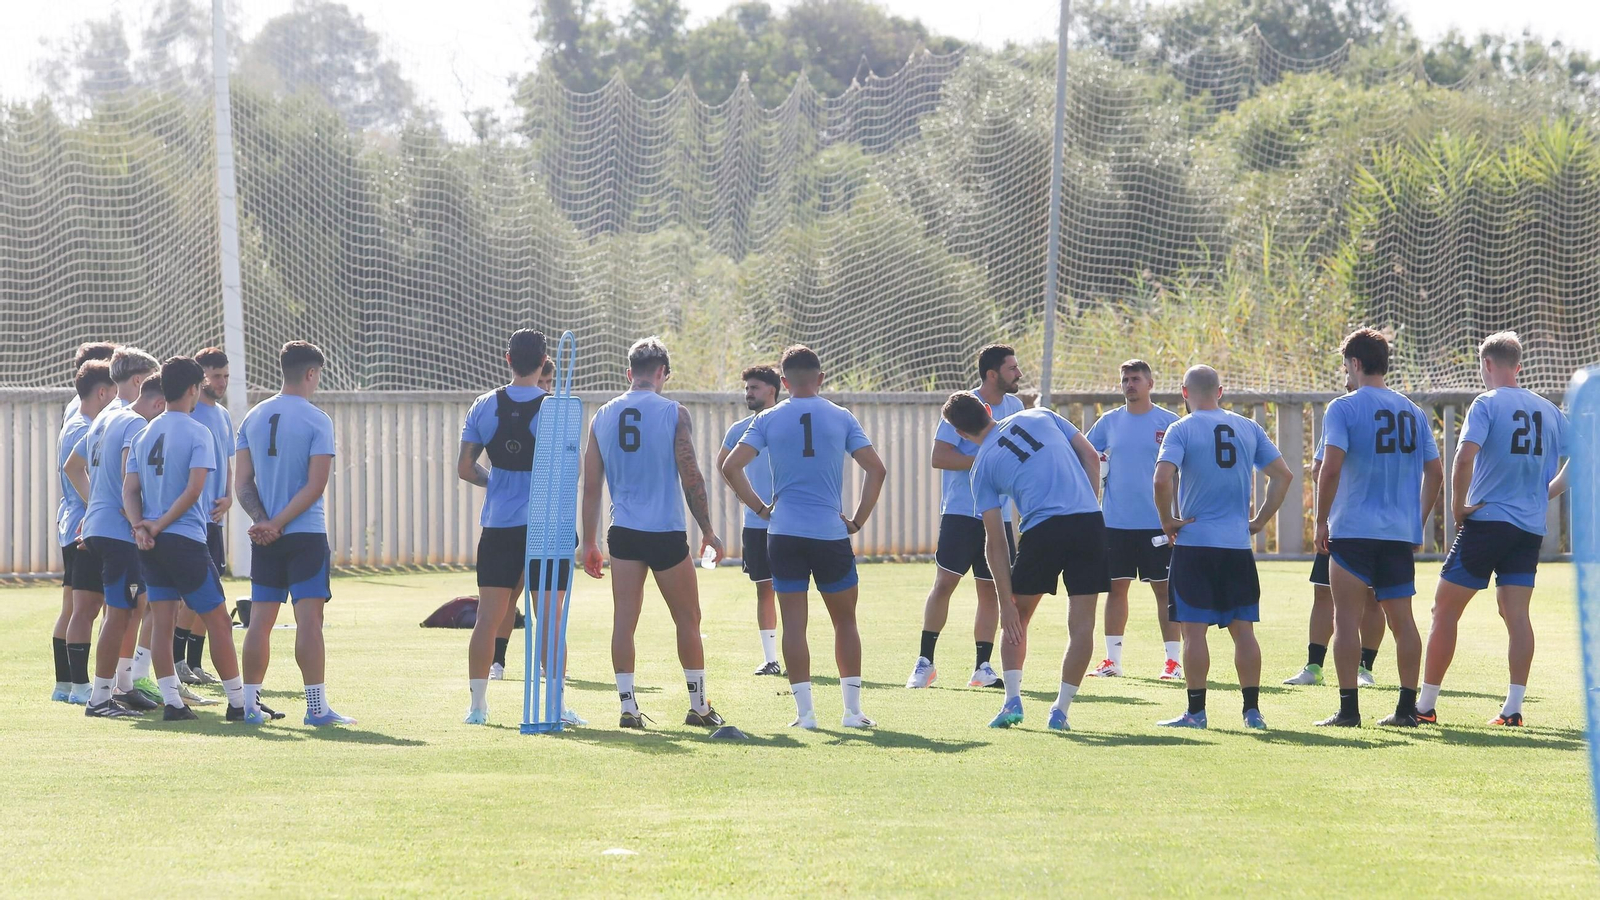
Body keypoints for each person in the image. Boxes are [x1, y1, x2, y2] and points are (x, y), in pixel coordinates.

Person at [723, 345, 888, 729]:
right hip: (830, 534)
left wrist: (762, 510)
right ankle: (852, 712)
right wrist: (858, 521)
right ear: (821, 378)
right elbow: (876, 470)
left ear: (782, 382)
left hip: (783, 533)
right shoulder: (841, 416)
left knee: (793, 625)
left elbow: (731, 467)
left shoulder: (768, 419)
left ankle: (806, 715)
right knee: (845, 621)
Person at [1419, 332, 1568, 726]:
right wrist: (1545, 493)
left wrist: (1457, 507)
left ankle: (1424, 706)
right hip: (1528, 529)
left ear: (1486, 364)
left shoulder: (1486, 402)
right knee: (1516, 615)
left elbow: (1464, 457)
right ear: (1518, 366)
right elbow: (1585, 458)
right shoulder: (1550, 410)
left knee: (1444, 609)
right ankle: (1513, 708)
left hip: (1487, 523)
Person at [581, 336, 726, 730]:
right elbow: (691, 475)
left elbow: (591, 485)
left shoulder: (602, 416)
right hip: (664, 531)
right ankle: (698, 707)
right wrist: (708, 531)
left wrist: (589, 541)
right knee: (687, 618)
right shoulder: (674, 412)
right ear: (662, 373)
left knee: (624, 620)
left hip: (623, 532)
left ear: (629, 373)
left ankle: (628, 708)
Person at [939, 393, 1107, 730]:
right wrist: (1090, 504)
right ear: (987, 410)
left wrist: (1005, 603)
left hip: (1043, 531)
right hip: (1089, 523)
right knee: (1082, 624)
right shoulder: (1040, 414)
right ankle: (1060, 711)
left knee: (1018, 618)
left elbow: (996, 542)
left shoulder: (981, 468)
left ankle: (1012, 701)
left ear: (960, 433)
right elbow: (1090, 455)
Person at [1314, 328, 1443, 728]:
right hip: (1397, 533)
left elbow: (1330, 467)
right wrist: (1416, 522)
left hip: (1353, 529)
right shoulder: (1412, 411)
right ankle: (1407, 709)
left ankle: (1349, 710)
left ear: (1354, 363)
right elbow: (1436, 473)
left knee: (1346, 620)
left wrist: (1320, 519)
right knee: (1402, 621)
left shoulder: (1343, 407)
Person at [1154, 365, 1293, 731]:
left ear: (1184, 393)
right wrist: (1260, 520)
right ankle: (1252, 712)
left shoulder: (1181, 428)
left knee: (1194, 631)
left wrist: (1167, 520)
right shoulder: (1248, 427)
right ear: (1221, 391)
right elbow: (1283, 475)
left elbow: (1161, 477)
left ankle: (1196, 714)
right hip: (1236, 545)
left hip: (1196, 544)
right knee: (1243, 631)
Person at [458, 329, 582, 726]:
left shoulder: (483, 405)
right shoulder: (558, 409)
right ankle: (558, 707)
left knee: (489, 617)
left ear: (507, 358)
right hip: (546, 524)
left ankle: (477, 708)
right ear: (546, 361)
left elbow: (465, 468)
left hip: (499, 526)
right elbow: (569, 473)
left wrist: (494, 480)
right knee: (549, 617)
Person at [122, 357, 248, 721]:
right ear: (193, 389)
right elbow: (195, 491)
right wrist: (158, 526)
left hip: (150, 542)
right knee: (220, 622)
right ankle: (240, 703)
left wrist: (140, 527)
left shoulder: (143, 434)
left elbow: (129, 491)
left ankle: (173, 704)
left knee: (162, 622)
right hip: (184, 540)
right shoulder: (198, 432)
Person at [235, 341, 347, 726]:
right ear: (312, 373)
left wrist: (264, 521)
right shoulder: (318, 420)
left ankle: (249, 706)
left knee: (259, 623)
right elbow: (315, 486)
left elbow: (243, 484)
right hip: (303, 535)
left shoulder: (252, 417)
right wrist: (279, 523)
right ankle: (316, 709)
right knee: (309, 623)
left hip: (265, 537)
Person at [906, 344, 1025, 691]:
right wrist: (985, 463)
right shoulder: (963, 406)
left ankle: (983, 668)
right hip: (961, 512)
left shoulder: (1016, 407)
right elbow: (939, 457)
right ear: (992, 374)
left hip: (999, 516)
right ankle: (925, 663)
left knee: (990, 592)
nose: (1018, 374)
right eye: (1012, 368)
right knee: (944, 584)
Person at [71, 348, 164, 717]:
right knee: (119, 614)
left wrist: (96, 507)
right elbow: (130, 484)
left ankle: (119, 688)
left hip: (96, 529)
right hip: (117, 533)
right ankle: (99, 699)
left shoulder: (105, 418)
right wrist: (139, 523)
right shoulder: (135, 425)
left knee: (124, 609)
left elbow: (72, 466)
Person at [1284, 370, 1387, 688]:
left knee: (1373, 597)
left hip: (1373, 524)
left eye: (1348, 371)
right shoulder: (1340, 411)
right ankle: (1314, 666)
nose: (1345, 381)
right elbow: (1320, 468)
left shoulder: (1389, 412)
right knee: (1323, 592)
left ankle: (1364, 668)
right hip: (1344, 522)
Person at [1084, 359, 1183, 680]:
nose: (1130, 384)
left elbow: (1188, 466)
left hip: (1159, 524)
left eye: (1136, 379)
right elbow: (1084, 454)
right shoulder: (1108, 422)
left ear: (1150, 384)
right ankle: (1112, 661)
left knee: (1165, 591)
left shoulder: (1170, 423)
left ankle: (1173, 662)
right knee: (1115, 590)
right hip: (1115, 524)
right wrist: (1097, 466)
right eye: (1125, 379)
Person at [169, 347, 234, 687]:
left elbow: (227, 459)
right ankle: (177, 661)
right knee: (188, 596)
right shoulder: (189, 416)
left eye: (225, 375)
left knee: (209, 593)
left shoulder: (222, 415)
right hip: (191, 519)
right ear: (199, 378)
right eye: (215, 375)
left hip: (214, 519)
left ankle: (193, 663)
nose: (221, 382)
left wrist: (229, 496)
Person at [52, 359, 115, 702]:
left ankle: (65, 685)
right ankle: (78, 686)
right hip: (82, 526)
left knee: (75, 607)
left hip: (73, 523)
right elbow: (79, 475)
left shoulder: (76, 423)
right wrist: (99, 511)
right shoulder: (84, 428)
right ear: (102, 392)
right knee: (86, 609)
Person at [716, 364, 785, 676]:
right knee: (764, 588)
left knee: (792, 589)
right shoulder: (739, 428)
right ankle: (771, 659)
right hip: (757, 524)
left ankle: (797, 655)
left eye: (754, 388)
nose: (748, 394)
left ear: (771, 390)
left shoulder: (788, 424)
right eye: (746, 389)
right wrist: (745, 496)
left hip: (790, 523)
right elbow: (723, 465)